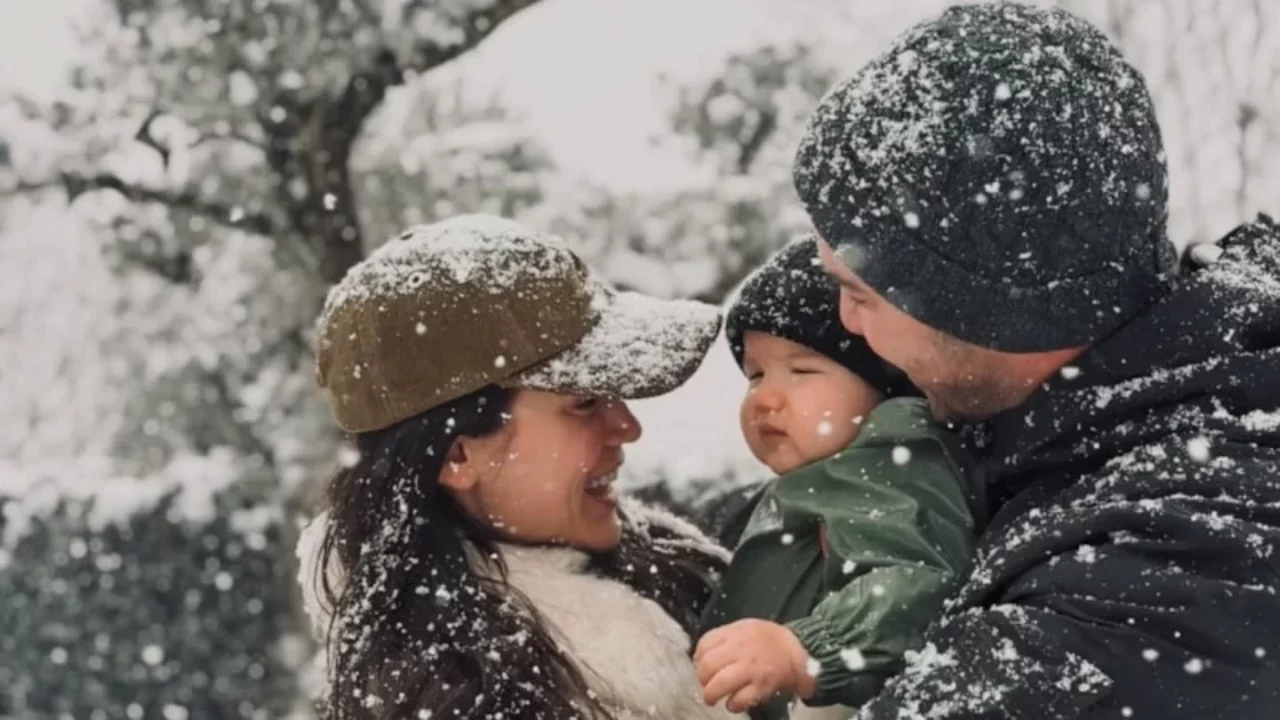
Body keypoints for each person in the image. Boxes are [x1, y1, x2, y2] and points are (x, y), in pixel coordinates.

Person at [791, 2, 1280, 718]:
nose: (844, 321)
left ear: (984, 306)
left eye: (859, 293)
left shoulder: (1132, 608)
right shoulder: (1188, 391)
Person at [294, 214, 744, 719]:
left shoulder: (685, 571)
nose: (627, 425)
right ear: (459, 456)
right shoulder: (462, 704)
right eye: (584, 403)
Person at [693, 235, 984, 719]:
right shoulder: (813, 483)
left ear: (884, 385)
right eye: (756, 375)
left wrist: (804, 650)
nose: (766, 398)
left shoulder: (894, 465)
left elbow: (914, 583)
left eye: (802, 371)